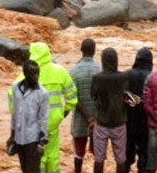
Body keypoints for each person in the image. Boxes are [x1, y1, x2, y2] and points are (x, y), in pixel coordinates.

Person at [9, 42, 77, 173]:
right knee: (53, 154)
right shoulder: (59, 71)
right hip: (53, 121)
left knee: (37, 156)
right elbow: (72, 96)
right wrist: (63, 113)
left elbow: (12, 96)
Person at [91, 48, 128, 173]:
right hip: (119, 123)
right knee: (121, 159)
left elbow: (93, 96)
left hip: (102, 122)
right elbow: (128, 98)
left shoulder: (97, 78)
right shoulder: (123, 77)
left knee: (99, 158)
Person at [8, 60, 49, 173]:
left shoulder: (42, 93)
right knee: (24, 168)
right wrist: (12, 136)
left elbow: (43, 118)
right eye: (32, 73)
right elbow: (15, 113)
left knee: (33, 169)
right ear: (25, 73)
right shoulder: (16, 87)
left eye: (37, 73)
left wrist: (41, 143)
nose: (36, 76)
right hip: (19, 137)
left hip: (33, 138)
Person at [69, 39, 101, 173]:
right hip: (98, 119)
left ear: (81, 50)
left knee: (78, 153)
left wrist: (86, 117)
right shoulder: (101, 70)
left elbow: (73, 99)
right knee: (98, 155)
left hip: (79, 119)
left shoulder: (73, 71)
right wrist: (93, 118)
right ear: (94, 51)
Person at [124, 48, 152, 173]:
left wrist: (132, 104)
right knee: (144, 157)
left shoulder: (126, 75)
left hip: (128, 120)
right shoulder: (153, 77)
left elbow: (122, 97)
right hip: (146, 122)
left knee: (125, 157)